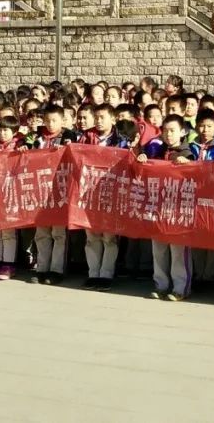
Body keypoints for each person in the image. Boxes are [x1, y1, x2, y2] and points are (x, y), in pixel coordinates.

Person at [139, 115, 196, 300]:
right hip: (158, 205)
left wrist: (189, 165)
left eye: (172, 130)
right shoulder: (156, 151)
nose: (168, 134)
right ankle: (161, 284)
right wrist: (142, 158)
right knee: (159, 248)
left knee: (178, 250)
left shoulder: (189, 152)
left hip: (179, 208)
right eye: (165, 131)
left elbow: (198, 173)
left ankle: (180, 287)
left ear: (182, 131)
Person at [30, 103, 75, 285]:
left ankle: (56, 269)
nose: (50, 124)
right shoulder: (36, 138)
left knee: (58, 233)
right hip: (40, 188)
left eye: (54, 120)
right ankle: (42, 267)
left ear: (62, 120)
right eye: (47, 120)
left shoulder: (69, 136)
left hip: (60, 189)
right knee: (42, 232)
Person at [84, 104, 123, 291]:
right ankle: (93, 273)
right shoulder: (86, 137)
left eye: (103, 117)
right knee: (91, 236)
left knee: (109, 237)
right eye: (96, 117)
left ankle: (106, 274)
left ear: (113, 119)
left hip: (111, 192)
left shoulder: (120, 139)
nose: (99, 121)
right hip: (88, 192)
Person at [0, 117, 26, 281]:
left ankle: (9, 265)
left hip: (11, 192)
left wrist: (24, 152)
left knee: (8, 231)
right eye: (0, 130)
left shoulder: (20, 146)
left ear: (14, 132)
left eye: (6, 130)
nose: (2, 133)